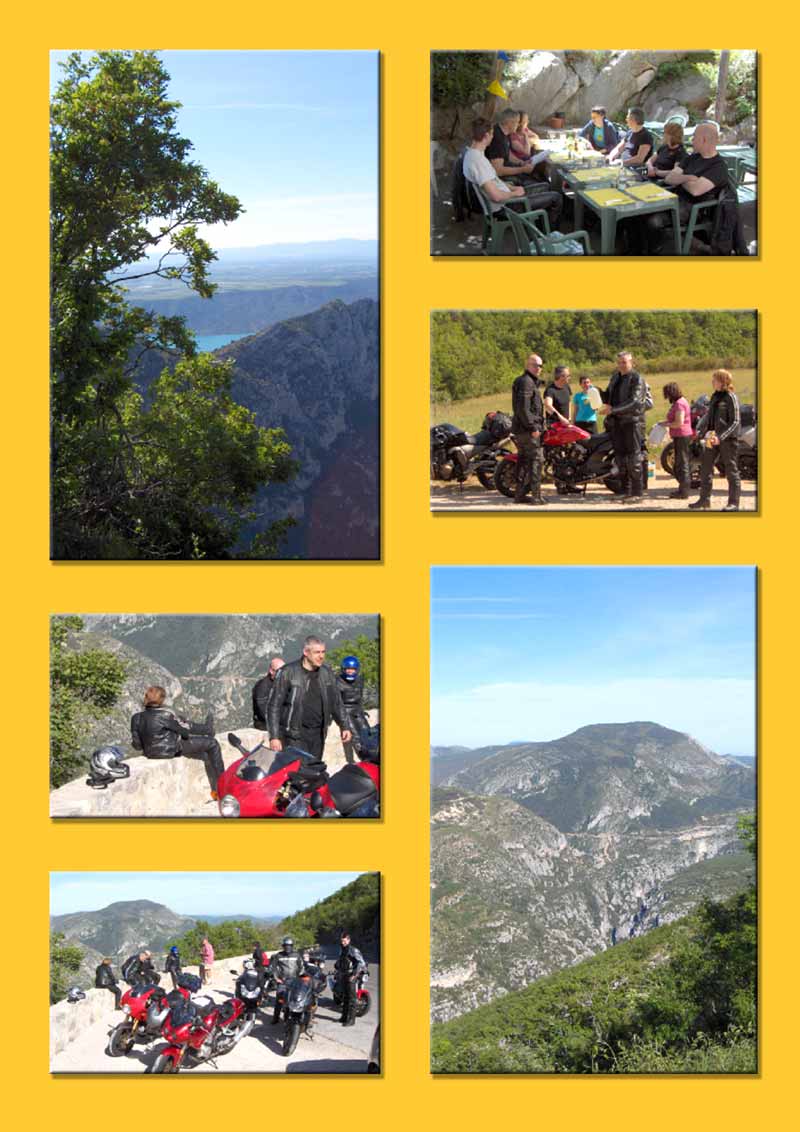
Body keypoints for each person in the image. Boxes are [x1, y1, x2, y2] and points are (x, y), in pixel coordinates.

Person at [646, 122, 730, 253]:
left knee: (652, 221)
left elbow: (696, 191)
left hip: (692, 209)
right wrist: (689, 177)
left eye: (694, 137)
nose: (691, 140)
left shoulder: (718, 167)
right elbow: (669, 178)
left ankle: (652, 252)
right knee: (641, 211)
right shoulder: (693, 157)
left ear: (704, 140)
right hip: (674, 199)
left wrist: (681, 178)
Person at [130, 686, 225, 801]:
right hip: (171, 749)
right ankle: (224, 785)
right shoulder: (166, 714)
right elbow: (184, 732)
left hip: (150, 753)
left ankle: (207, 728)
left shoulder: (136, 718)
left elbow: (137, 745)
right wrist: (182, 729)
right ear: (162, 700)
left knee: (185, 725)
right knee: (213, 743)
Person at [267, 636, 352, 760]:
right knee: (297, 774)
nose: (321, 656)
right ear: (306, 652)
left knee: (314, 772)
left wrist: (345, 726)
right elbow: (274, 705)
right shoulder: (288, 672)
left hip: (318, 735)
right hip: (294, 736)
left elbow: (336, 703)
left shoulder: (326, 673)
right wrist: (274, 736)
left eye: (323, 652)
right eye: (317, 652)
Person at [485, 108, 562, 227]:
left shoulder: (503, 133)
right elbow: (498, 171)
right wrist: (522, 169)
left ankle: (539, 221)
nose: (518, 125)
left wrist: (521, 163)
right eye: (516, 122)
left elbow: (508, 155)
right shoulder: (498, 139)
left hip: (505, 183)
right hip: (506, 188)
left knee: (544, 184)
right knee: (549, 190)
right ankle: (544, 230)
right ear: (509, 123)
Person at [690, 369, 741, 511]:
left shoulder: (731, 397)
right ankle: (704, 500)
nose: (712, 382)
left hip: (728, 440)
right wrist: (700, 433)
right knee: (706, 468)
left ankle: (733, 504)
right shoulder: (714, 397)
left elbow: (736, 421)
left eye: (715, 380)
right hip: (712, 439)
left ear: (723, 381)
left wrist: (721, 437)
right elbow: (709, 419)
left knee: (731, 470)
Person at [600, 351, 645, 503]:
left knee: (634, 458)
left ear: (632, 363)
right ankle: (625, 490)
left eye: (624, 362)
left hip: (632, 422)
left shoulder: (637, 378)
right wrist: (595, 392)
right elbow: (608, 396)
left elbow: (635, 402)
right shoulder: (615, 377)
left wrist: (613, 410)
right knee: (620, 458)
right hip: (616, 423)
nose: (621, 365)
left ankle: (637, 493)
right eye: (619, 362)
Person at [510, 353, 547, 506]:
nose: (539, 368)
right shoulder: (526, 382)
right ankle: (536, 497)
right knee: (536, 462)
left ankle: (519, 495)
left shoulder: (527, 381)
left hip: (522, 429)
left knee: (524, 462)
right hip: (528, 430)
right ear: (528, 365)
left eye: (540, 365)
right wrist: (533, 427)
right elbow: (523, 408)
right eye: (535, 365)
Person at [660, 382, 692, 499]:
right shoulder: (679, 402)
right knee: (679, 463)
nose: (667, 397)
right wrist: (662, 424)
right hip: (680, 436)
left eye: (667, 394)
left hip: (682, 436)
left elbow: (679, 423)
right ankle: (683, 489)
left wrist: (666, 425)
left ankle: (684, 491)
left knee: (681, 463)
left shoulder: (679, 404)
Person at [336, 655, 369, 763]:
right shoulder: (338, 681)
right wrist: (341, 718)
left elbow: (360, 697)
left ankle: (371, 758)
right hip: (345, 710)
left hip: (357, 710)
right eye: (348, 669)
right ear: (344, 669)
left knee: (367, 733)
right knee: (354, 737)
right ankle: (354, 761)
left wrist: (362, 710)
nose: (350, 671)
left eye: (353, 669)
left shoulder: (360, 679)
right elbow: (337, 702)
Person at [268, 936, 304, 1024]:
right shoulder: (278, 955)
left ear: (292, 946)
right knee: (279, 1000)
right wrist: (276, 978)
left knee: (293, 1000)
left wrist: (299, 978)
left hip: (294, 981)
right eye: (286, 945)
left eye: (289, 945)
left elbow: (302, 968)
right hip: (282, 982)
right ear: (283, 946)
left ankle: (289, 1018)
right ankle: (275, 1018)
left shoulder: (297, 955)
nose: (287, 947)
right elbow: (273, 968)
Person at [335, 931, 366, 1027]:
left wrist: (354, 975)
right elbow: (342, 961)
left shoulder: (353, 950)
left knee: (352, 999)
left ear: (348, 940)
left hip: (351, 976)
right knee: (345, 997)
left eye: (344, 941)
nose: (343, 942)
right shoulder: (342, 949)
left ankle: (351, 1020)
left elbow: (361, 963)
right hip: (343, 975)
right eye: (342, 941)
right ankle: (344, 1017)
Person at [251, 657, 285, 730]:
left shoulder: (280, 684)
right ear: (271, 671)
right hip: (264, 724)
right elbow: (264, 712)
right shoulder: (262, 687)